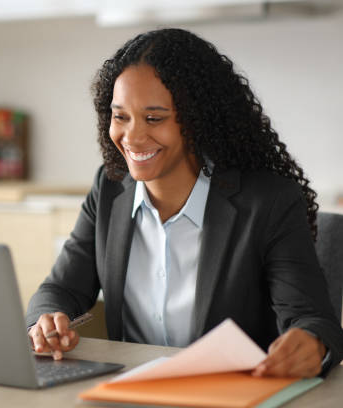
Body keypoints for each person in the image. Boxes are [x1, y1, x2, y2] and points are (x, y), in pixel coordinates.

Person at [26, 28, 343, 378]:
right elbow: (60, 288)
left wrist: (312, 343)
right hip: (133, 393)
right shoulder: (110, 187)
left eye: (154, 118)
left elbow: (312, 320)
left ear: (197, 121)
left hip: (229, 394)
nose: (132, 137)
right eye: (121, 116)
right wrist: (46, 319)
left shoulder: (267, 202)